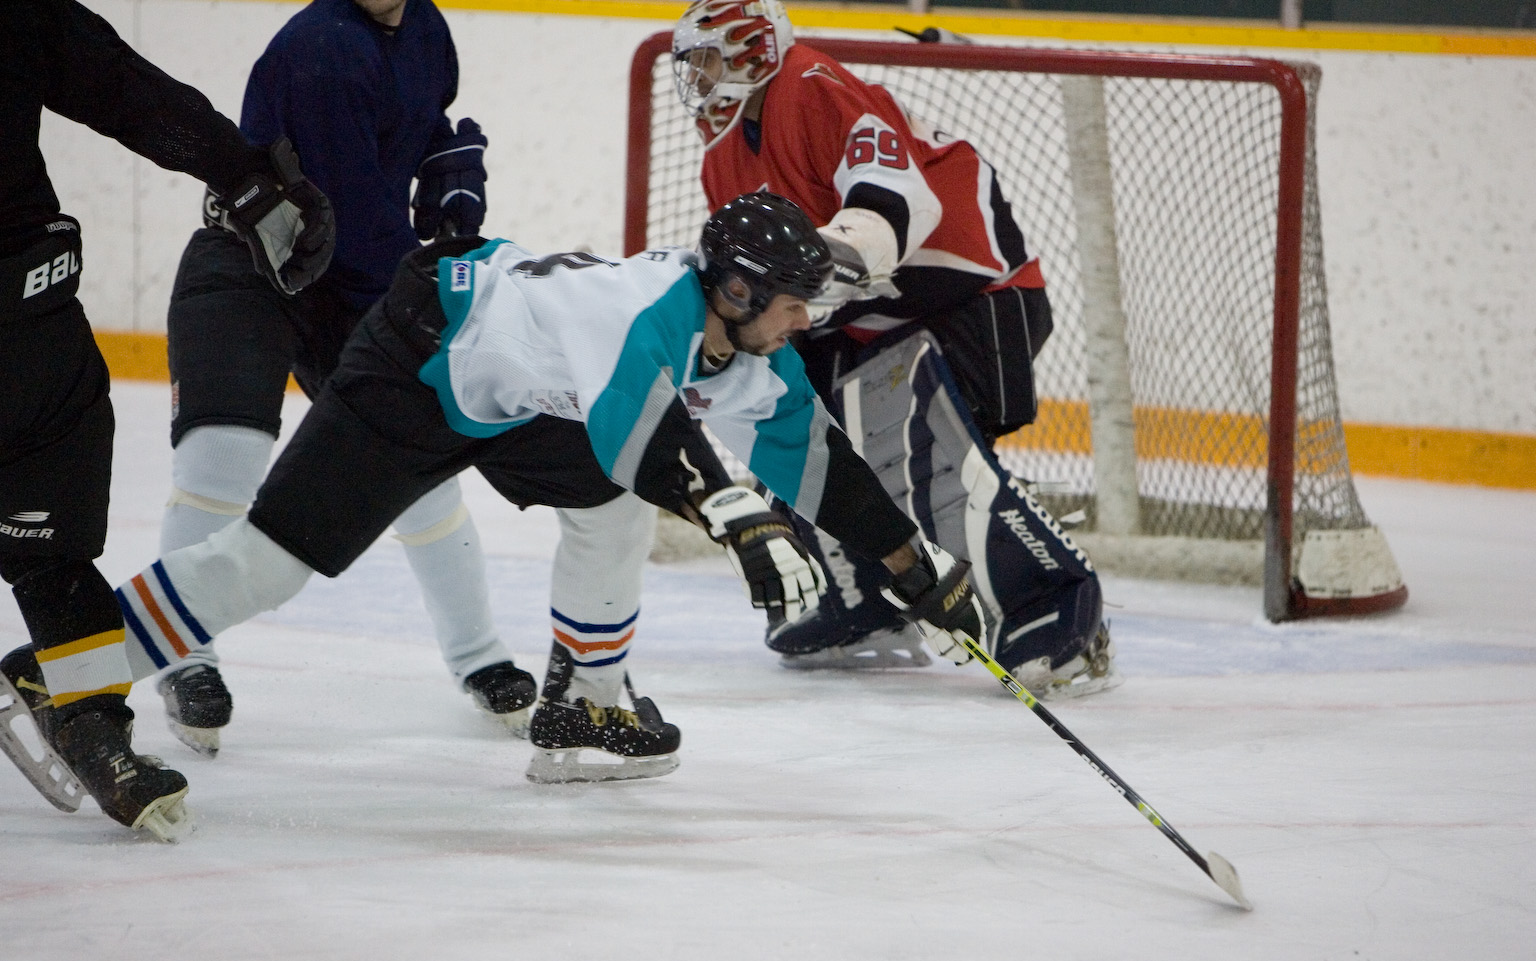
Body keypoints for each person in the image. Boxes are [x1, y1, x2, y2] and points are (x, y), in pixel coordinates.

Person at [108, 192, 988, 790]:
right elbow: (633, 426)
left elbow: (819, 466)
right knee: (270, 565)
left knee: (610, 508)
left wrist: (919, 568)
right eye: (795, 305)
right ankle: (69, 675)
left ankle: (583, 710)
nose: (808, 321)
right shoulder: (642, 314)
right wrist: (736, 513)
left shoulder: (744, 344)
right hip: (419, 365)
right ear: (737, 288)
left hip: (517, 400)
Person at [671, 0, 1118, 699]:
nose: (696, 79)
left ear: (753, 52)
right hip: (869, 319)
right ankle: (860, 598)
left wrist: (842, 252)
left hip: (968, 292)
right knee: (793, 413)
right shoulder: (723, 155)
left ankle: (1054, 603)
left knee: (919, 450)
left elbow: (897, 197)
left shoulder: (810, 86)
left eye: (707, 60)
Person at [151, 0, 526, 758]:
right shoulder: (323, 49)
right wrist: (430, 293)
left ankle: (479, 655)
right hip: (253, 267)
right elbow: (351, 217)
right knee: (222, 454)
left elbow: (412, 130)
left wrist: (443, 165)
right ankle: (184, 655)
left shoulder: (425, 29)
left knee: (422, 479)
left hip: (352, 277)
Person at [0, 0, 334, 840]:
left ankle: (88, 722)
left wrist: (240, 170)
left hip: (31, 323)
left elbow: (117, 85)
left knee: (54, 540)